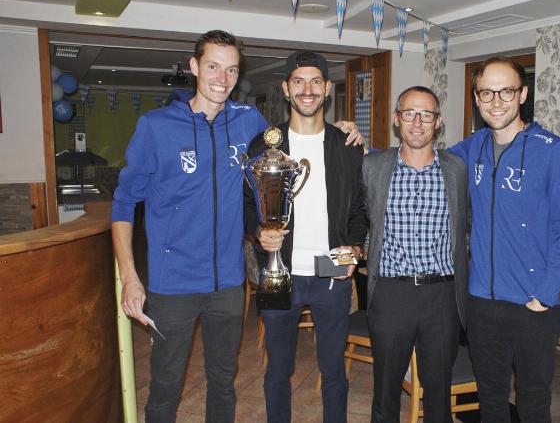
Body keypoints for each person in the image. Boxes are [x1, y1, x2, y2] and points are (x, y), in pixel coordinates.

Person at [112, 30, 268, 422]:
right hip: (172, 284)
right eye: (213, 66)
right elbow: (124, 204)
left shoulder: (249, 123)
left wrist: (343, 131)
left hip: (228, 284)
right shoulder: (157, 126)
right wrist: (129, 275)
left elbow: (291, 147)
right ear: (194, 66)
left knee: (223, 380)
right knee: (165, 387)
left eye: (231, 69)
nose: (222, 78)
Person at [448, 57, 560, 422]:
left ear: (522, 93)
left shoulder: (551, 149)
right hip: (482, 302)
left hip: (532, 304)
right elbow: (422, 158)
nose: (496, 101)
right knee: (490, 397)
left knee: (533, 400)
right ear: (477, 98)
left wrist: (546, 295)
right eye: (486, 92)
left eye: (506, 90)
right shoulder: (471, 148)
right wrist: (361, 148)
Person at [244, 50, 367, 423]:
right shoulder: (264, 146)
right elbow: (248, 207)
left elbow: (360, 211)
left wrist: (354, 253)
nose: (307, 89)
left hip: (331, 268)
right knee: (277, 371)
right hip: (278, 270)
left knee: (333, 372)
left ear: (328, 89)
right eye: (299, 81)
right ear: (285, 88)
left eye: (316, 81)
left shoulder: (348, 145)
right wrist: (259, 233)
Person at [361, 86, 468, 423]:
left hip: (443, 295)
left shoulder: (457, 170)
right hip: (392, 293)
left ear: (437, 122)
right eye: (410, 113)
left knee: (439, 392)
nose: (417, 122)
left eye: (426, 115)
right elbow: (356, 216)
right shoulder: (372, 166)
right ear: (397, 119)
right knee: (386, 391)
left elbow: (471, 223)